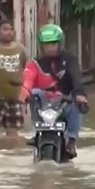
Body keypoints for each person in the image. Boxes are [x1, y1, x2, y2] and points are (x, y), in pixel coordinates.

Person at [18, 24, 88, 157]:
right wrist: (23, 94)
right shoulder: (34, 64)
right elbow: (27, 81)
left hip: (64, 102)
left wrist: (79, 94)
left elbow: (76, 77)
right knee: (35, 93)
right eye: (46, 45)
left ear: (59, 44)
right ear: (41, 46)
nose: (50, 48)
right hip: (43, 103)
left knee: (75, 104)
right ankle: (37, 133)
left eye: (53, 44)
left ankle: (71, 141)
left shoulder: (70, 60)